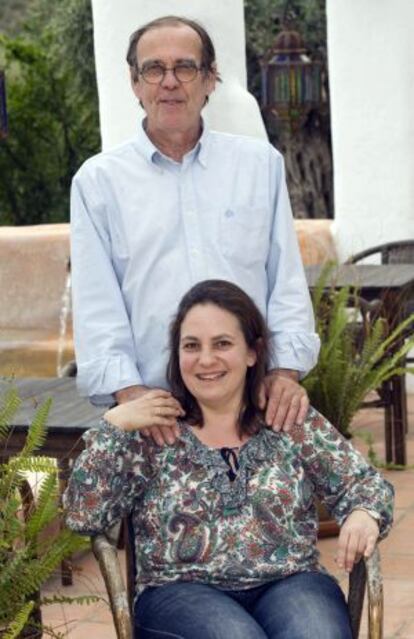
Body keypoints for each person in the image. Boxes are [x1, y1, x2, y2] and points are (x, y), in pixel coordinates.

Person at [64, 279, 394, 639]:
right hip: (180, 593)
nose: (206, 360)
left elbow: (364, 484)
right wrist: (114, 425)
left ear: (252, 352)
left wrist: (364, 514)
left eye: (222, 343)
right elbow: (85, 515)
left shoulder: (287, 418)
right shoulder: (153, 431)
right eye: (192, 346)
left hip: (291, 581)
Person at [70, 15, 320, 443]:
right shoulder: (97, 184)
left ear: (209, 80)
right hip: (155, 417)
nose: (169, 82)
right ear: (135, 83)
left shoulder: (260, 166)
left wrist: (283, 373)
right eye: (153, 69)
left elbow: (286, 282)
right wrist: (132, 397)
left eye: (185, 67)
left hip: (255, 409)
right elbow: (98, 307)